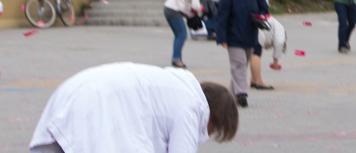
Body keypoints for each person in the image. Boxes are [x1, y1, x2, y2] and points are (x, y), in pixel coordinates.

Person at [28, 62, 238, 152]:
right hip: (98, 108)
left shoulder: (174, 86)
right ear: (214, 116)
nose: (206, 135)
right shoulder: (192, 107)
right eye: (213, 130)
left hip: (73, 92)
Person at [215, 0, 269, 108]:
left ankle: (230, 97)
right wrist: (222, 38)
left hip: (250, 36)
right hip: (233, 38)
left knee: (240, 67)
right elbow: (222, 17)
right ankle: (241, 94)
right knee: (238, 65)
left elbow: (264, 8)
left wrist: (261, 17)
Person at [163, 0, 208, 68]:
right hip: (173, 10)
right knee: (182, 34)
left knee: (178, 35)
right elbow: (195, 5)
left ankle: (176, 57)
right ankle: (176, 59)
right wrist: (202, 8)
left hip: (168, 8)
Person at [250, 16, 287, 90]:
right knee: (256, 54)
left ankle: (254, 79)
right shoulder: (281, 30)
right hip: (259, 31)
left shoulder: (275, 24)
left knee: (252, 56)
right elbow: (279, 43)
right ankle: (258, 81)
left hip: (252, 25)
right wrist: (275, 62)